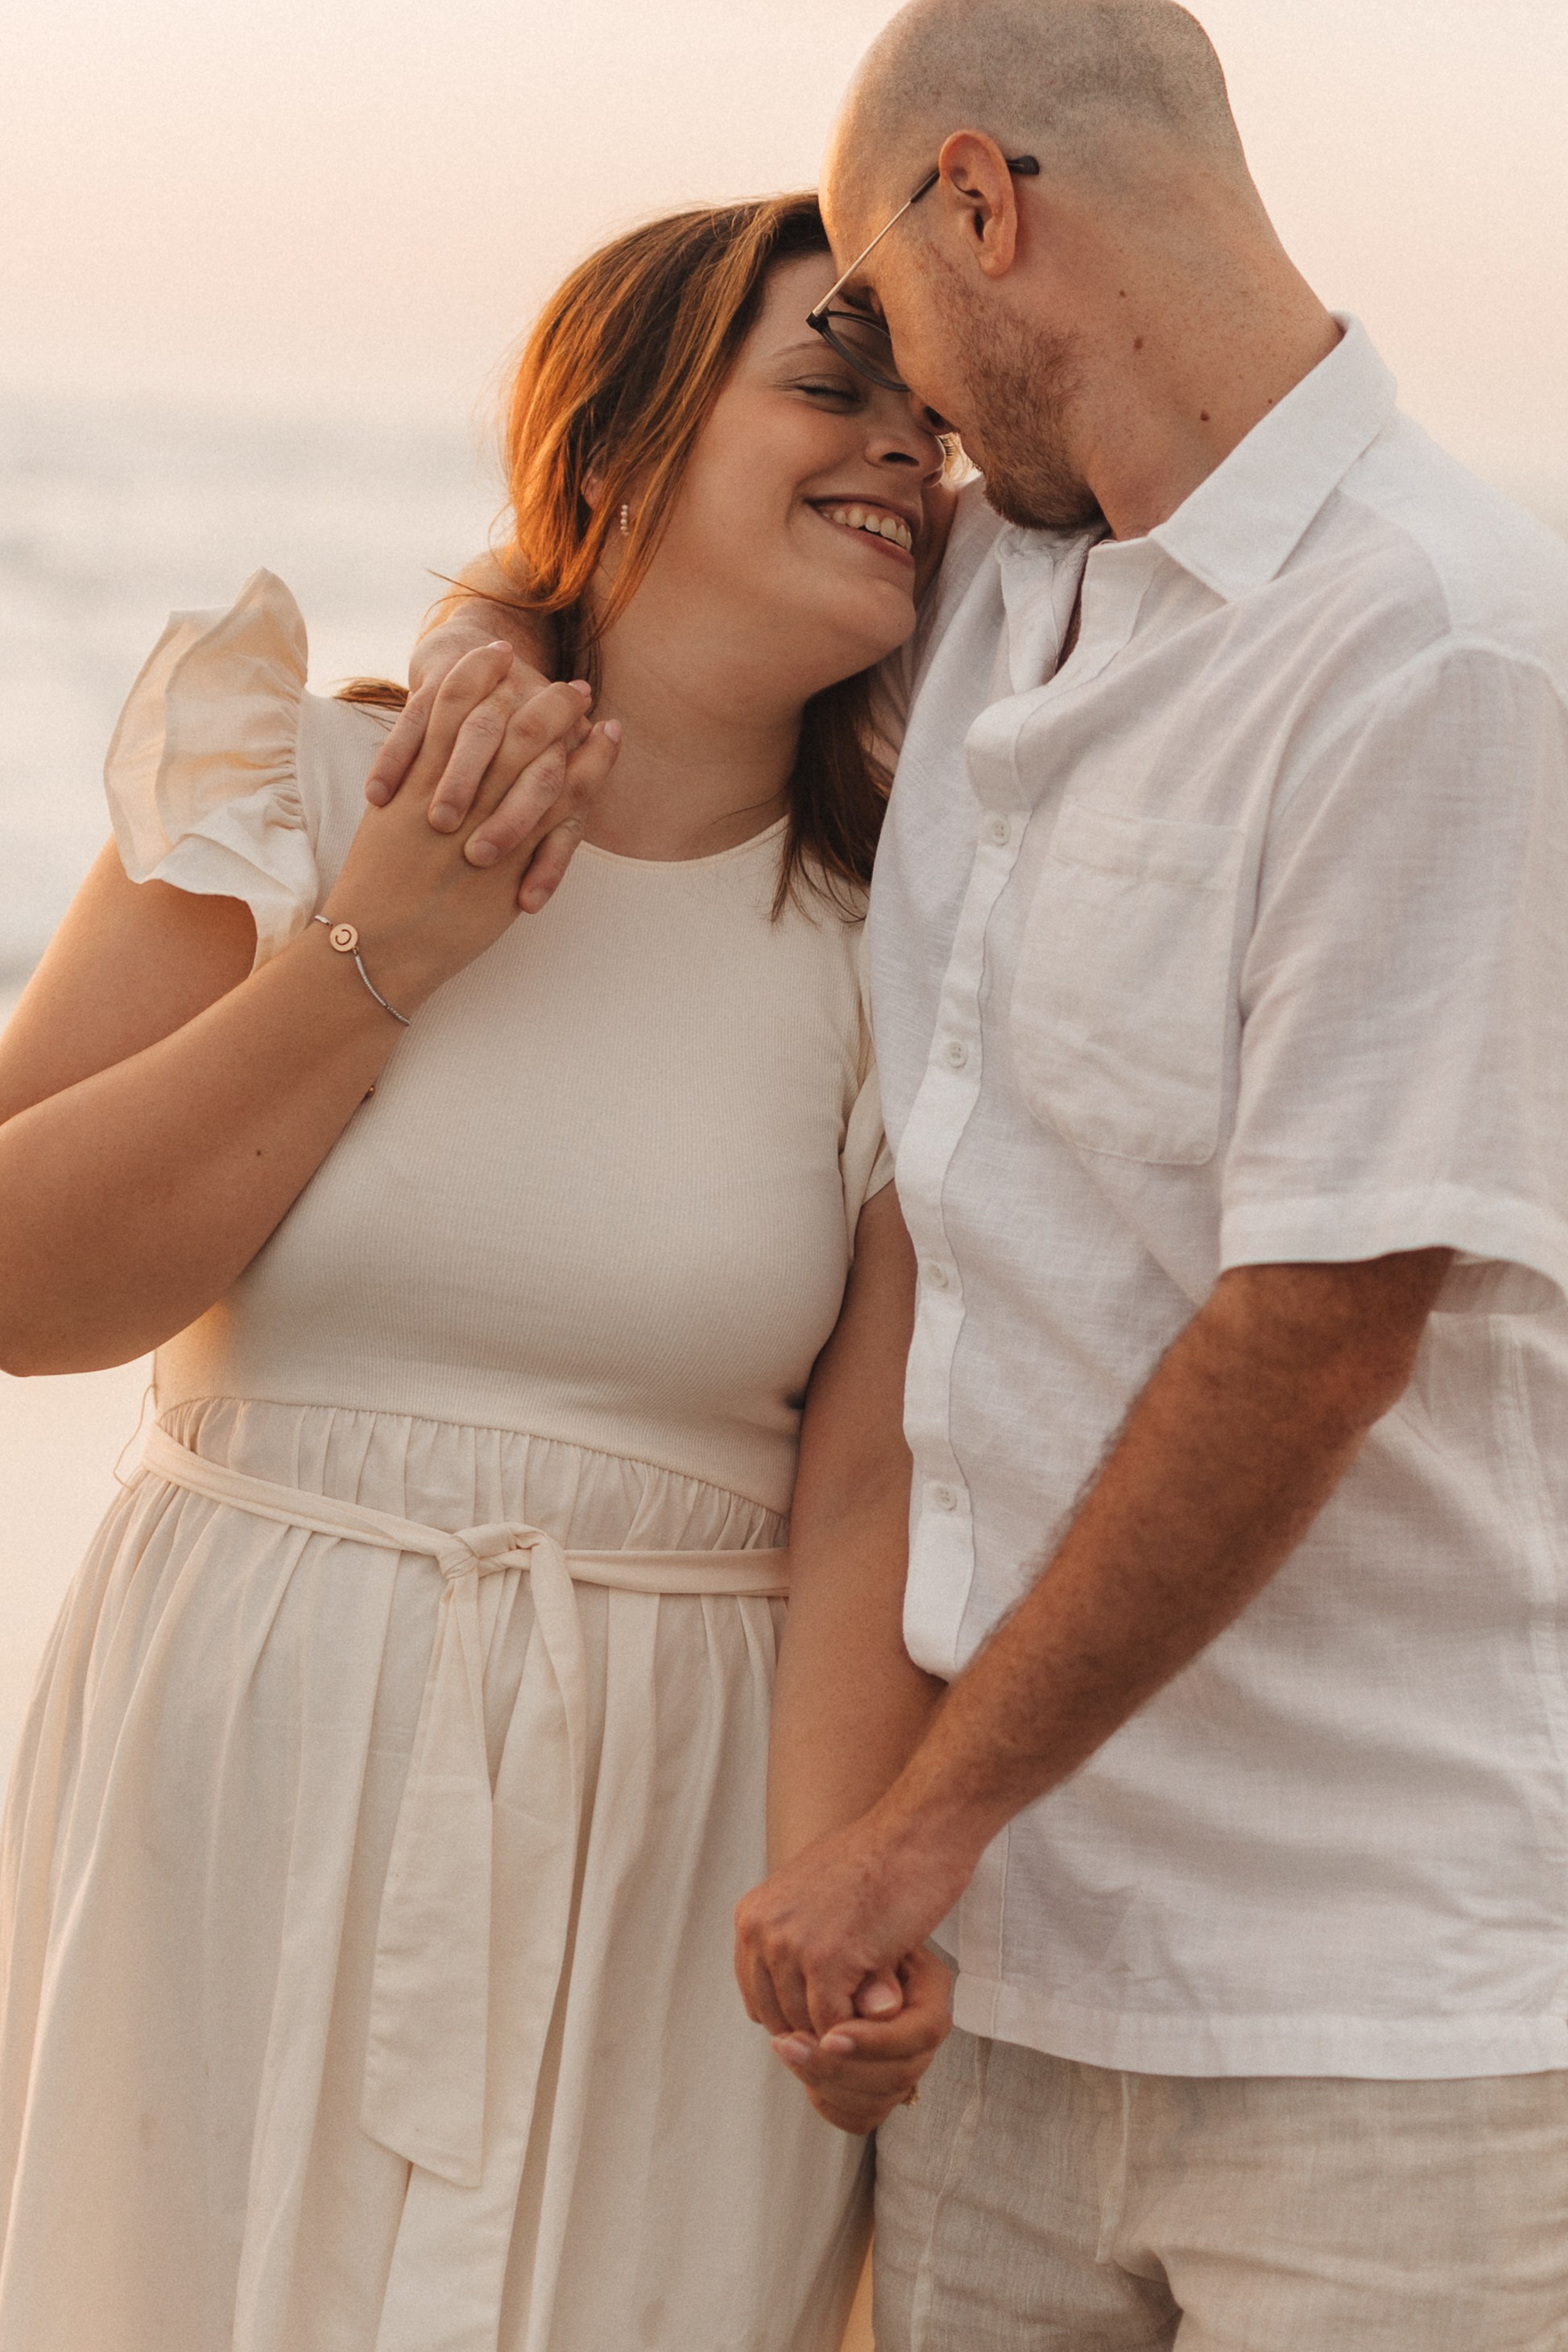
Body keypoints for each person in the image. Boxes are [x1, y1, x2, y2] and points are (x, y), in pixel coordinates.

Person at [412, 2, 1568, 2344]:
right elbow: (652, 586)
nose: (909, 408)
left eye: (893, 315)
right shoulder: (1010, 581)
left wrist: (908, 1829)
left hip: (1377, 2023)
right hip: (995, 2001)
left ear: (982, 202)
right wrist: (470, 643)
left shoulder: (1437, 647)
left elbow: (1313, 1331)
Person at [0, 193, 954, 2352]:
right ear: (608, 447)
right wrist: (380, 950)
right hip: (244, 1752)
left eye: (932, 426)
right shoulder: (293, 784)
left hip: (666, 1821)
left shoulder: (898, 951)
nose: (904, 449)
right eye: (828, 380)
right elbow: (21, 1293)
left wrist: (837, 1899)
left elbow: (863, 1492)